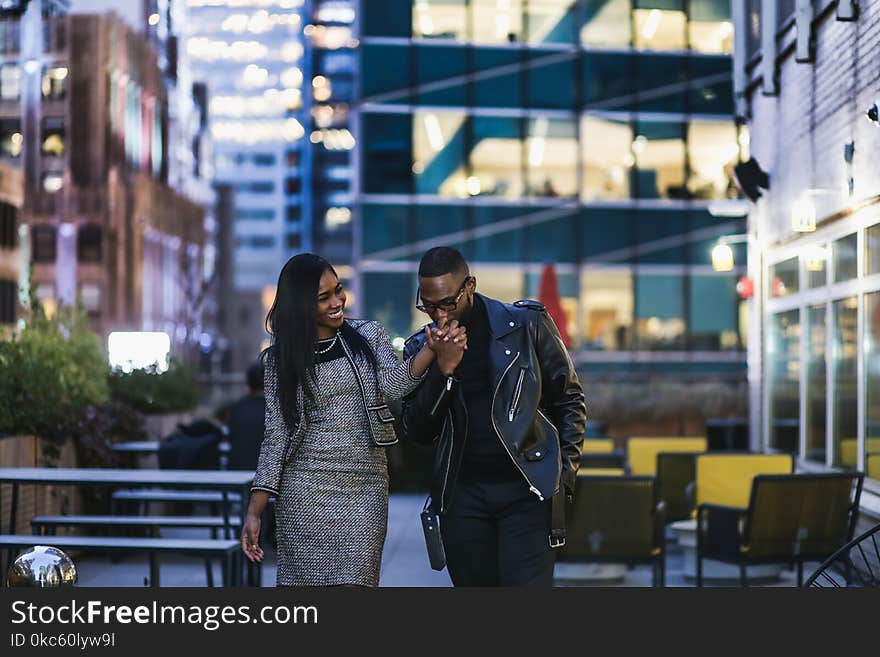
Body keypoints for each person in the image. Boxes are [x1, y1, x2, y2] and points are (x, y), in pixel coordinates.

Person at [239, 253, 466, 587]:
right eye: (323, 297)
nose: (337, 301)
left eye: (338, 290)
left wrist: (431, 349)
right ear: (301, 305)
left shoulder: (368, 336)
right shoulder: (279, 361)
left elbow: (395, 384)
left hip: (366, 488)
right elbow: (276, 436)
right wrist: (255, 510)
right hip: (304, 491)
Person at [402, 246, 585, 587]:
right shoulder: (420, 349)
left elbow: (569, 398)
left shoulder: (526, 325)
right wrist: (443, 370)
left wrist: (563, 475)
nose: (439, 316)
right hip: (463, 498)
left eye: (447, 303)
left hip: (526, 491)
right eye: (428, 305)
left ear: (469, 285)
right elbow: (418, 430)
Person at [226, 361, 265, 472]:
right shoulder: (277, 410)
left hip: (236, 473)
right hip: (264, 476)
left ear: (248, 386)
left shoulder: (237, 408)